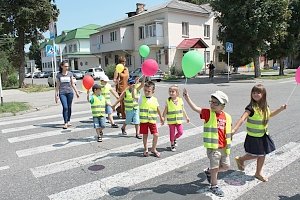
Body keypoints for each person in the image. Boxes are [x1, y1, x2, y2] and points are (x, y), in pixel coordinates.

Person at [232, 84, 287, 182]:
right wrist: (234, 129)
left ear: (263, 94)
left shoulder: (265, 106)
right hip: (254, 136)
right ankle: (241, 159)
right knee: (258, 154)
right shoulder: (250, 107)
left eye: (258, 92)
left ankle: (258, 172)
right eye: (253, 92)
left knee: (263, 154)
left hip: (263, 135)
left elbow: (269, 115)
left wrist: (280, 109)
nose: (255, 94)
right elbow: (242, 118)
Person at [183, 89, 232, 197]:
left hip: (224, 148)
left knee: (226, 166)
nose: (213, 105)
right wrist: (187, 98)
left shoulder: (227, 116)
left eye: (216, 103)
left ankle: (209, 171)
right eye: (212, 102)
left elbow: (227, 131)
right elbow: (195, 108)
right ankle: (214, 186)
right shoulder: (208, 113)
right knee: (215, 168)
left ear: (223, 106)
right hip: (213, 148)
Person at [162, 85, 190, 152]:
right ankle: (172, 144)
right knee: (172, 133)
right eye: (170, 91)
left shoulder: (180, 100)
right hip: (171, 121)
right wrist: (163, 118)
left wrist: (187, 117)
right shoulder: (168, 101)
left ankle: (174, 139)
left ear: (177, 93)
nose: (171, 93)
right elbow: (165, 111)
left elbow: (183, 110)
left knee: (180, 132)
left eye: (173, 91)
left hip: (179, 121)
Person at [139, 81, 163, 158]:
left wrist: (161, 117)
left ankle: (153, 149)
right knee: (145, 135)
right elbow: (133, 95)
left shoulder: (155, 99)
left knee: (156, 135)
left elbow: (157, 108)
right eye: (145, 90)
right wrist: (133, 89)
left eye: (148, 91)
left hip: (152, 121)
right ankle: (146, 149)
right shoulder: (141, 99)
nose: (146, 92)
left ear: (153, 91)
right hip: (144, 121)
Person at [55, 60, 80, 129]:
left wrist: (77, 92)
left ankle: (68, 120)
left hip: (70, 92)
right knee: (65, 107)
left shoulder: (70, 74)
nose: (67, 67)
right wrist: (56, 95)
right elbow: (57, 85)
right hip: (62, 93)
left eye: (68, 66)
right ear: (62, 66)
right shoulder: (59, 75)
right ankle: (65, 122)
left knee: (69, 107)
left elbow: (72, 84)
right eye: (65, 66)